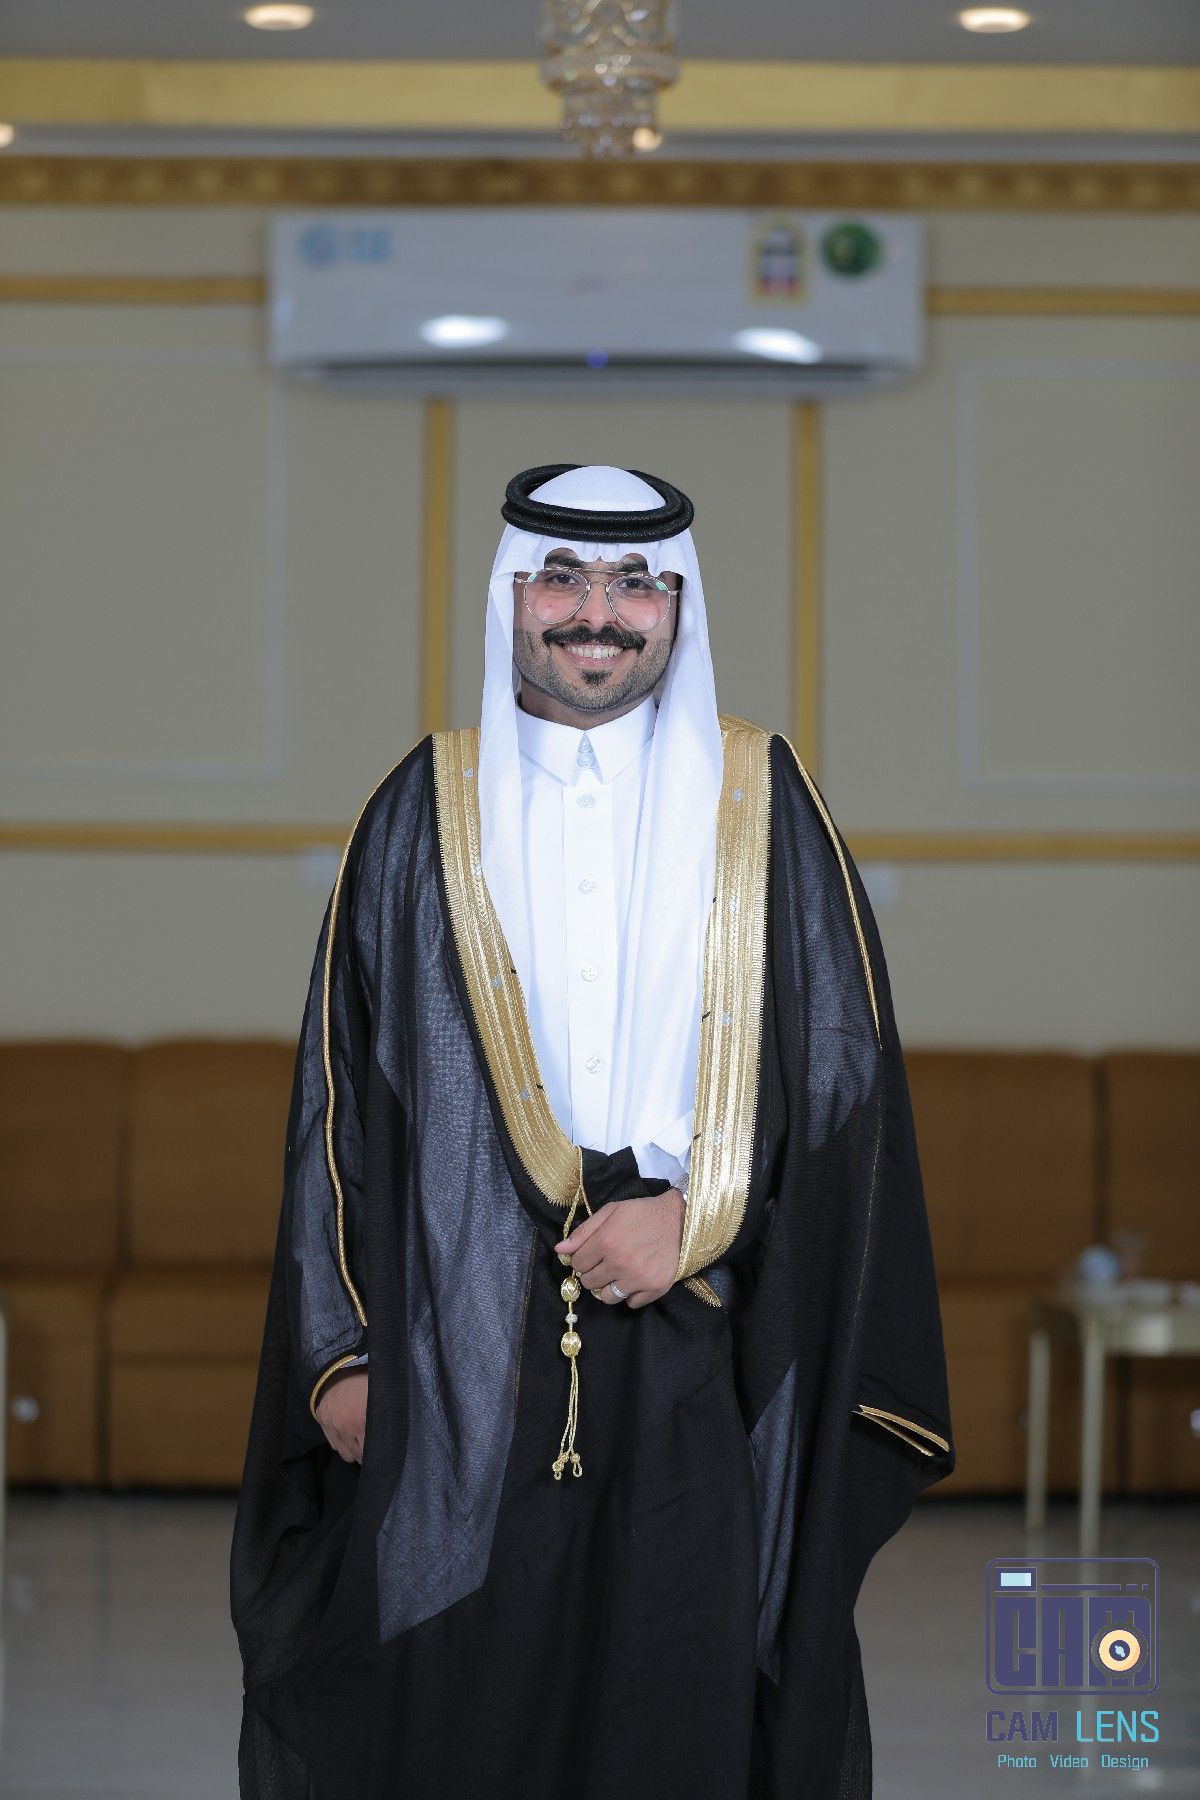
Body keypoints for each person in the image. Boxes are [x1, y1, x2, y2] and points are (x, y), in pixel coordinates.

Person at [231, 464, 955, 1800]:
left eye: (636, 584)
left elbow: (843, 1080)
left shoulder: (764, 801)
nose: (597, 613)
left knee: (675, 1690)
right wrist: (340, 1355)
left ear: (679, 604)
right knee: (460, 1693)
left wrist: (698, 1212)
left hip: (702, 1334)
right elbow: (334, 1099)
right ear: (510, 593)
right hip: (454, 1353)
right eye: (560, 577)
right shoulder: (421, 807)